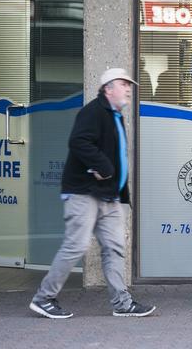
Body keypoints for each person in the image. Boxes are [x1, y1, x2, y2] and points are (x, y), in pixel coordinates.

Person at [29, 68, 156, 318]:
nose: (129, 88)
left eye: (129, 85)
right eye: (123, 84)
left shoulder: (114, 115)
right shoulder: (94, 112)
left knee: (114, 248)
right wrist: (103, 166)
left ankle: (122, 303)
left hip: (109, 196)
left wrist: (119, 188)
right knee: (76, 246)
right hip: (84, 193)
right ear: (108, 88)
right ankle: (43, 298)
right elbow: (79, 141)